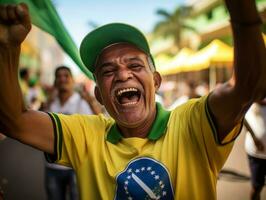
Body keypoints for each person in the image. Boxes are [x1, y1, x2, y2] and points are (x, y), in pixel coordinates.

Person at [0, 1, 265, 199]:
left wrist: (241, 9)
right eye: (108, 70)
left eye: (135, 65)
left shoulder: (193, 123)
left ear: (156, 81)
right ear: (99, 95)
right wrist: (7, 47)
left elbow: (248, 87)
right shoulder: (85, 135)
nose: (122, 74)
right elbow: (14, 121)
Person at [43, 66, 100, 200]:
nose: (62, 79)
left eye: (66, 76)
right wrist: (47, 102)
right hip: (52, 166)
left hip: (77, 166)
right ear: (55, 81)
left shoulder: (81, 102)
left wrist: (90, 101)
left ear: (72, 80)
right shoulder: (51, 104)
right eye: (59, 76)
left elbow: (98, 125)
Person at [244, 100, 266, 200]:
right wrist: (254, 138)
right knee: (257, 187)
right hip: (255, 154)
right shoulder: (249, 104)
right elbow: (242, 119)